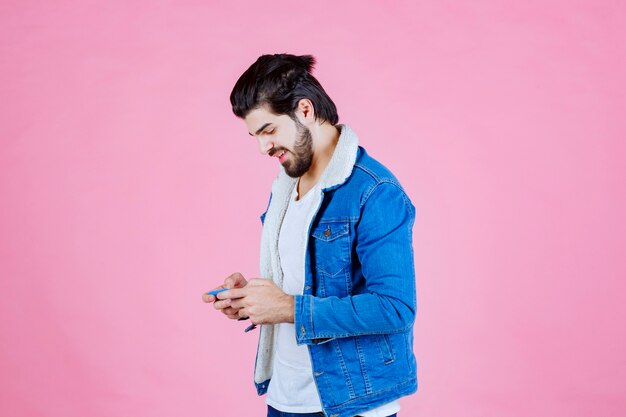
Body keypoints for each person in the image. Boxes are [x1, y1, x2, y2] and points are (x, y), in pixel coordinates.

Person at [202, 54, 417, 417]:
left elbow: (395, 308)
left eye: (268, 130)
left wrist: (286, 308)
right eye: (254, 136)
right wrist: (253, 300)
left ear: (304, 110)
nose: (262, 148)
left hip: (349, 403)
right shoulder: (286, 188)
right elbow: (301, 284)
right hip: (285, 397)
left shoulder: (375, 191)